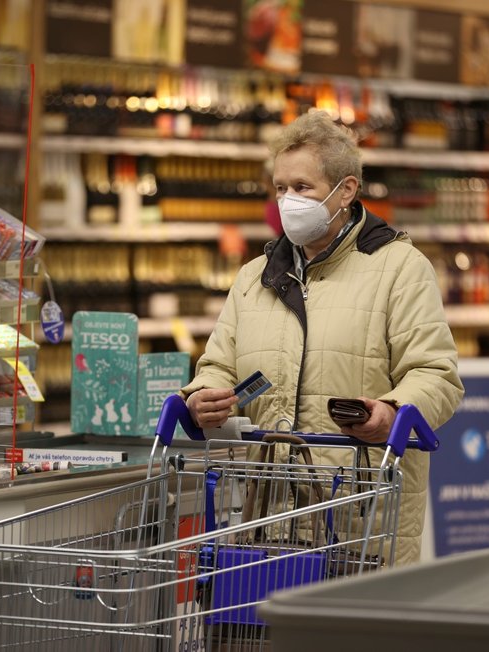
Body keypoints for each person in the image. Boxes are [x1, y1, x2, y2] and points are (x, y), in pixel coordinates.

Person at [182, 110, 464, 565]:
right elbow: (218, 365)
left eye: (302, 188)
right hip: (266, 520)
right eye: (280, 188)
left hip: (360, 520)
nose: (287, 200)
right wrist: (201, 397)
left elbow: (436, 375)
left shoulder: (399, 269)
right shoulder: (255, 277)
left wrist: (391, 414)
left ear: (346, 190)